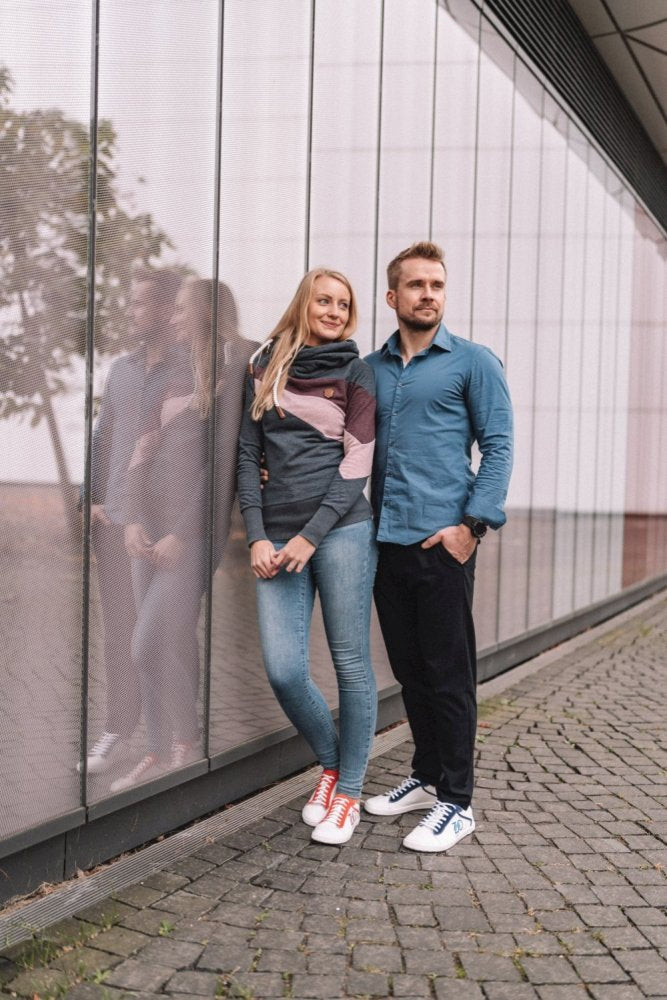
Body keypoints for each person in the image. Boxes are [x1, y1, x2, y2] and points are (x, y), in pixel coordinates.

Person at [364, 241, 513, 852]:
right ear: (392, 296)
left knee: (449, 675)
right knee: (410, 672)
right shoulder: (369, 369)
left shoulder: (473, 363)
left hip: (443, 543)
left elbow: (499, 447)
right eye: (417, 285)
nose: (429, 294)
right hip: (384, 542)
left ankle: (457, 801)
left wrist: (470, 527)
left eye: (438, 285)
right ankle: (425, 779)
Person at [237, 269, 377, 846]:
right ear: (304, 302)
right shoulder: (263, 365)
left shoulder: (355, 371)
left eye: (344, 304)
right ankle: (329, 763)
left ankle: (348, 793)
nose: (335, 310)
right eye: (325, 300)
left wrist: (310, 536)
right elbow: (247, 455)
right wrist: (256, 536)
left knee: (349, 662)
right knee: (285, 669)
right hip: (276, 537)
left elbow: (358, 459)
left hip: (341, 530)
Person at [110, 279, 254, 793]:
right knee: (156, 642)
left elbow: (219, 466)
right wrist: (130, 518)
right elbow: (140, 445)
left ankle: (183, 744)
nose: (171, 317)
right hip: (146, 529)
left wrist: (181, 532)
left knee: (148, 639)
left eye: (181, 310)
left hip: (190, 537)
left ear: (206, 312)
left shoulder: (239, 361)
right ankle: (156, 749)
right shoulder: (174, 366)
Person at [82, 269, 184, 775]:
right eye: (132, 302)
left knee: (167, 634)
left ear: (167, 310)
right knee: (121, 633)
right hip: (117, 520)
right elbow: (103, 437)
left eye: (142, 303)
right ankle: (120, 729)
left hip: (163, 530)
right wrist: (92, 498)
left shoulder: (187, 369)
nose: (132, 312)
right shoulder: (121, 369)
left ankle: (174, 738)